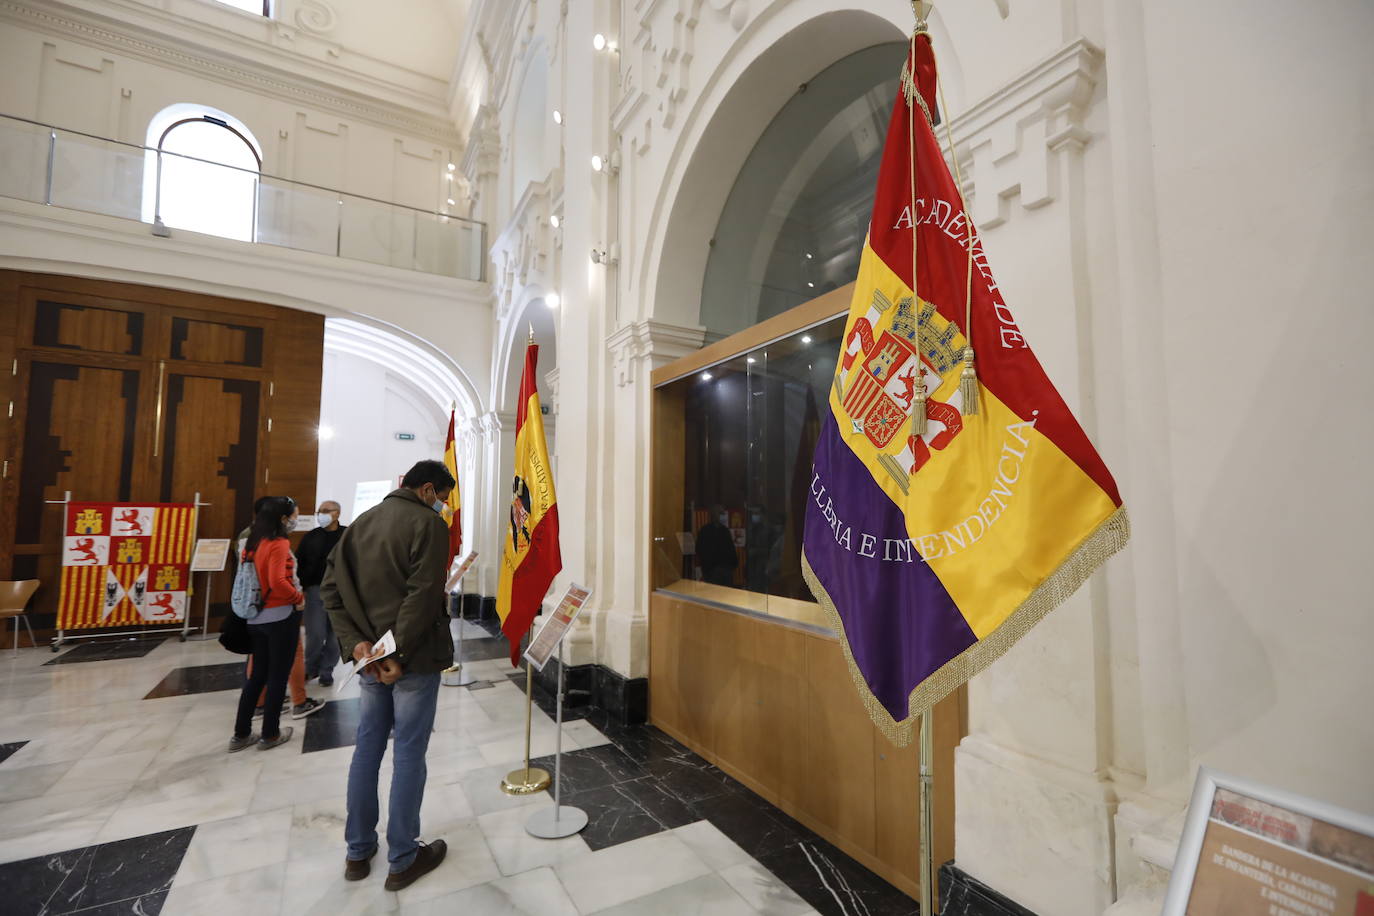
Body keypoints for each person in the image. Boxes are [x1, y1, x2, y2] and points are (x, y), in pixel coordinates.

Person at [322, 460, 455, 891]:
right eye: (444, 499)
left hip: (369, 659)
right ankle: (402, 857)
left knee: (367, 749)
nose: (444, 508)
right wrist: (395, 653)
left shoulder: (359, 524)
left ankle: (358, 851)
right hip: (409, 662)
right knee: (409, 753)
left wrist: (359, 646)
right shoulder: (428, 525)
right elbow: (423, 594)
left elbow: (332, 590)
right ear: (429, 490)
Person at [229, 496, 305, 752]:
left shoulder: (252, 541)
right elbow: (278, 581)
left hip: (255, 617)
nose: (295, 520)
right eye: (294, 515)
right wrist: (298, 599)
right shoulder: (278, 542)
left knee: (256, 675)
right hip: (279, 616)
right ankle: (270, 734)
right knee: (277, 676)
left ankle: (241, 734)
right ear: (283, 518)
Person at [298, 499, 345, 686]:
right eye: (320, 511)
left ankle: (327, 670)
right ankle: (310, 669)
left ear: (337, 514)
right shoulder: (311, 537)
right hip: (316, 591)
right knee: (315, 634)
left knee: (336, 638)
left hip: (341, 593)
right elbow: (300, 563)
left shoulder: (348, 535)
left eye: (326, 510)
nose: (321, 514)